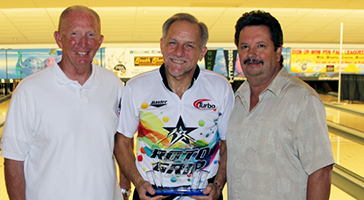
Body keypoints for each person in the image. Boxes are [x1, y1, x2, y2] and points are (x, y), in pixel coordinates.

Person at [0, 5, 124, 200]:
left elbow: (123, 143)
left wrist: (124, 190)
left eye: (91, 35)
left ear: (100, 41)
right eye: (74, 33)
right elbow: (13, 160)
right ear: (59, 39)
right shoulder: (29, 90)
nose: (83, 43)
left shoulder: (113, 84)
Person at [114, 13, 234, 200]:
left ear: (202, 52)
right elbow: (122, 141)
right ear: (162, 45)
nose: (179, 52)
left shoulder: (220, 87)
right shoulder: (137, 87)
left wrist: (218, 184)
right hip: (151, 193)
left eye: (189, 45)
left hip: (203, 194)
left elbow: (228, 143)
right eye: (173, 43)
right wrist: (138, 183)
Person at [226, 10, 335, 200]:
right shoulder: (235, 99)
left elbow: (321, 171)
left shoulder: (302, 99)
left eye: (261, 46)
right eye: (244, 46)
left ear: (278, 52)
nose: (251, 54)